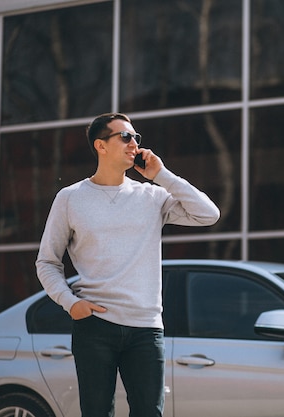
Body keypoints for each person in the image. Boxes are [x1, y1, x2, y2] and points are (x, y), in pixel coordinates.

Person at [35, 112, 220, 417]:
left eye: (136, 137)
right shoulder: (70, 198)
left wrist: (162, 175)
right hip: (94, 326)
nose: (133, 143)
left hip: (146, 329)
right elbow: (47, 261)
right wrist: (70, 303)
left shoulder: (152, 196)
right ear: (100, 146)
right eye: (124, 136)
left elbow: (208, 214)